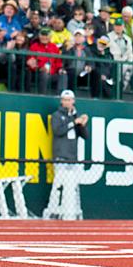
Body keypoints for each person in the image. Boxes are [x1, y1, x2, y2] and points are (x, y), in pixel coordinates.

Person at [43, 89, 87, 220]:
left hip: (72, 157)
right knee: (59, 185)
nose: (67, 102)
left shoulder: (75, 115)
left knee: (72, 187)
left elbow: (85, 136)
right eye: (65, 100)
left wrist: (82, 125)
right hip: (61, 156)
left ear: (73, 101)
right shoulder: (57, 115)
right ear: (61, 101)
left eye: (70, 100)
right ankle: (54, 212)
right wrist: (73, 123)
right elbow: (57, 131)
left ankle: (70, 213)